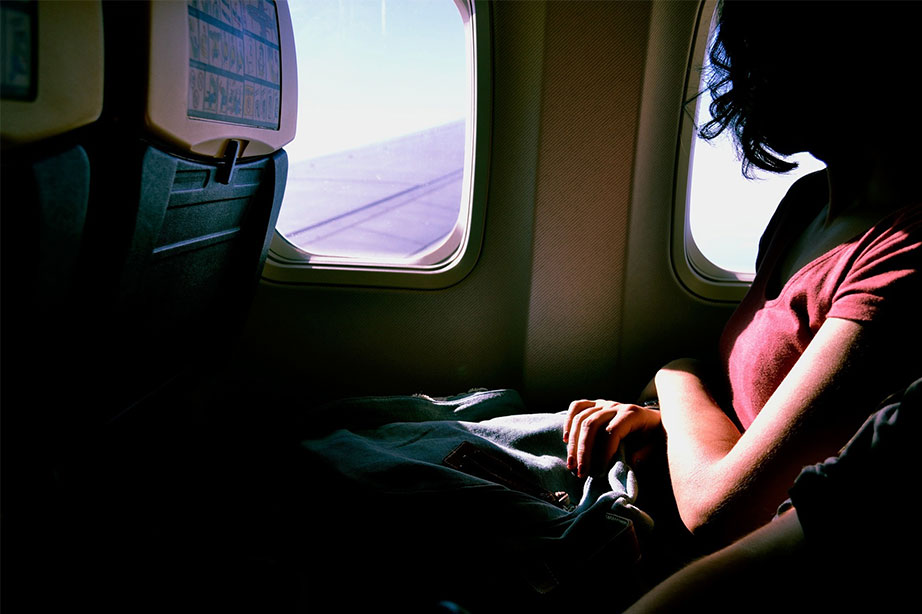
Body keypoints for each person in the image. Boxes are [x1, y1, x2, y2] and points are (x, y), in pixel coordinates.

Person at [564, 0, 922, 548]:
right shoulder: (805, 205)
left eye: (764, 54)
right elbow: (755, 425)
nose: (741, 80)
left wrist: (676, 374)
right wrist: (660, 423)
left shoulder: (904, 254)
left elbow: (723, 511)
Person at [622, 376, 920, 613]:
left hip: (693, 542)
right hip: (676, 475)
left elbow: (719, 512)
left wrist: (676, 374)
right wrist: (660, 415)